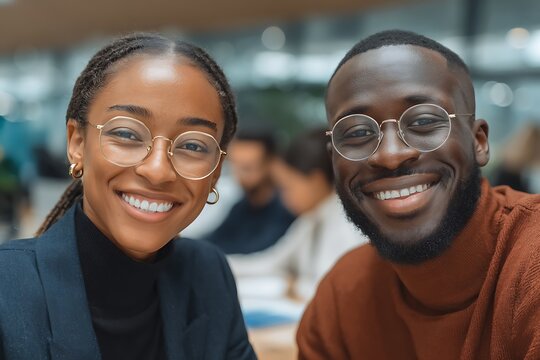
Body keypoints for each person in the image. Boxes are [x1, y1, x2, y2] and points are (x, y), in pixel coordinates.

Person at [0, 33, 256, 360]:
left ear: (216, 170)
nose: (158, 170)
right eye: (126, 134)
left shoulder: (208, 273)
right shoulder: (7, 288)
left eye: (193, 146)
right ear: (77, 143)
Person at [296, 30, 540, 359]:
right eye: (357, 132)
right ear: (333, 160)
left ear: (478, 142)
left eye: (424, 121)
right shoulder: (344, 293)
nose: (390, 155)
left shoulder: (530, 264)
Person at [228, 128, 367, 301]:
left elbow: (333, 291)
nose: (284, 197)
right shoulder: (312, 219)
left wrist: (295, 286)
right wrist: (217, 262)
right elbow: (272, 261)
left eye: (288, 187)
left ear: (316, 180)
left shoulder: (345, 224)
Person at [201, 130, 295, 254]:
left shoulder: (289, 208)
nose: (239, 175)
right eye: (235, 166)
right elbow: (214, 240)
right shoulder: (241, 207)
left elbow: (264, 251)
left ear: (271, 164)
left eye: (247, 168)